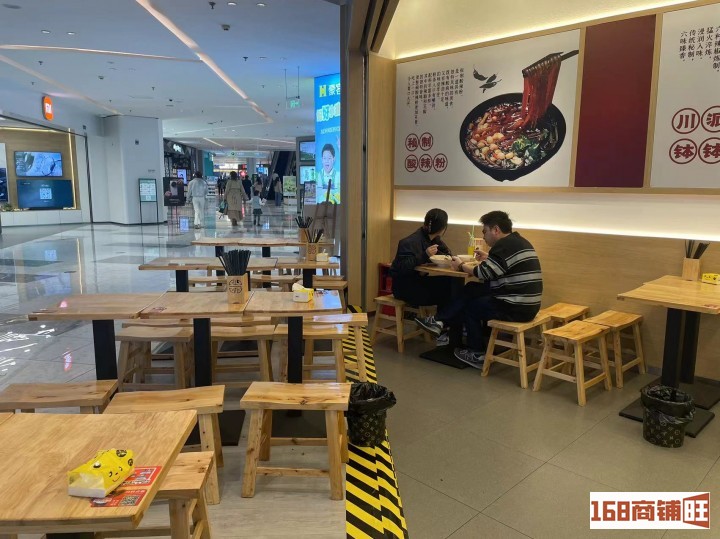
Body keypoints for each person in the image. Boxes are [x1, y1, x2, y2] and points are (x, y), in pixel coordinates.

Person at [416, 211, 543, 368]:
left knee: (472, 307)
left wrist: (461, 265)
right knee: (472, 288)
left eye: (485, 232)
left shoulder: (503, 246)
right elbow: (498, 269)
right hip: (527, 304)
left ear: (495, 230)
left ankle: (476, 353)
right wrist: (489, 258)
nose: (483, 237)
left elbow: (483, 273)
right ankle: (438, 321)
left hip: (516, 307)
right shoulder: (518, 242)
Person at [389, 208, 454, 344]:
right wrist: (425, 255)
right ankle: (442, 326)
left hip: (418, 282)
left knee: (451, 283)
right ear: (443, 228)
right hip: (404, 289)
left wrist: (448, 256)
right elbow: (401, 268)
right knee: (451, 290)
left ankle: (440, 324)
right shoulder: (409, 242)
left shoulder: (434, 240)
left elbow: (447, 254)